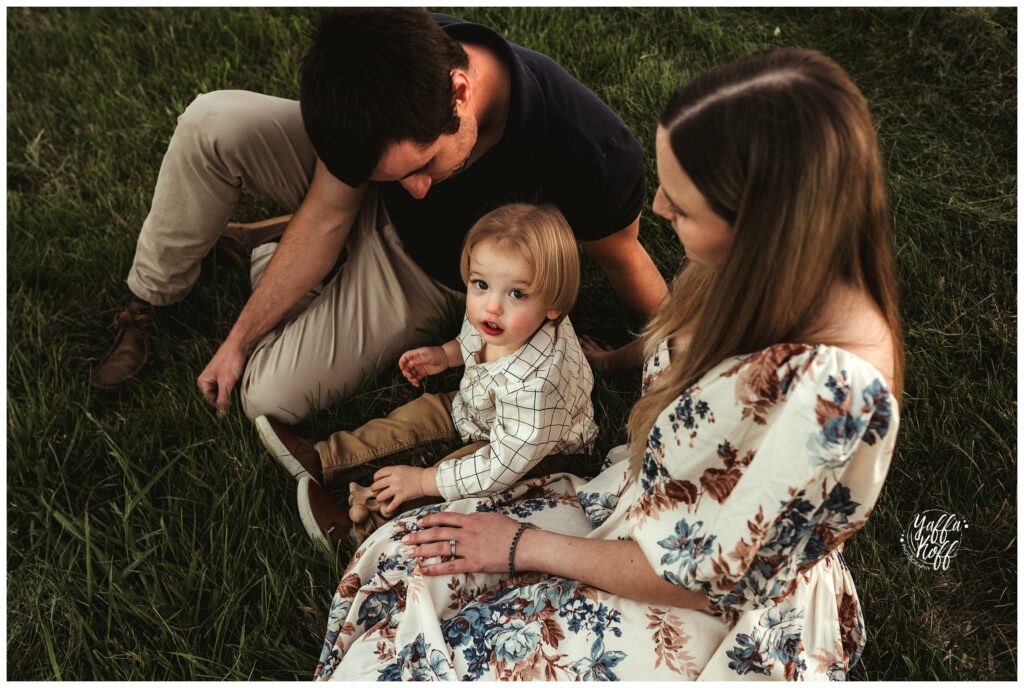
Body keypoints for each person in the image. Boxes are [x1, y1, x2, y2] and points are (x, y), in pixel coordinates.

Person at [311, 46, 904, 681]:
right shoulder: (740, 269)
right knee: (405, 560)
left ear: (760, 223)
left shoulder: (831, 399)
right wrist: (624, 358)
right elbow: (683, 344)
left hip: (707, 600)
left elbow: (706, 583)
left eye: (683, 204)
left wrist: (520, 547)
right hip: (634, 507)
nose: (662, 212)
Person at [89, 8, 668, 421]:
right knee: (210, 123)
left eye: (425, 166)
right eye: (399, 174)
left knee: (267, 396)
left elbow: (626, 262)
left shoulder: (590, 151)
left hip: (427, 267)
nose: (418, 190)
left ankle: (277, 252)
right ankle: (151, 298)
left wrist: (682, 342)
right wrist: (238, 340)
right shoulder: (392, 55)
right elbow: (327, 213)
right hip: (354, 196)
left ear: (460, 92)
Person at [255, 203, 598, 551]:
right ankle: (326, 457)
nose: (491, 306)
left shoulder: (537, 388)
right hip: (484, 406)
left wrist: (423, 480)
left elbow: (497, 467)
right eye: (480, 284)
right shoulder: (502, 321)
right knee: (421, 413)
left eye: (517, 294)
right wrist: (446, 354)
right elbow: (473, 337)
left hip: (529, 453)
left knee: (454, 474)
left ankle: (360, 531)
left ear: (554, 305)